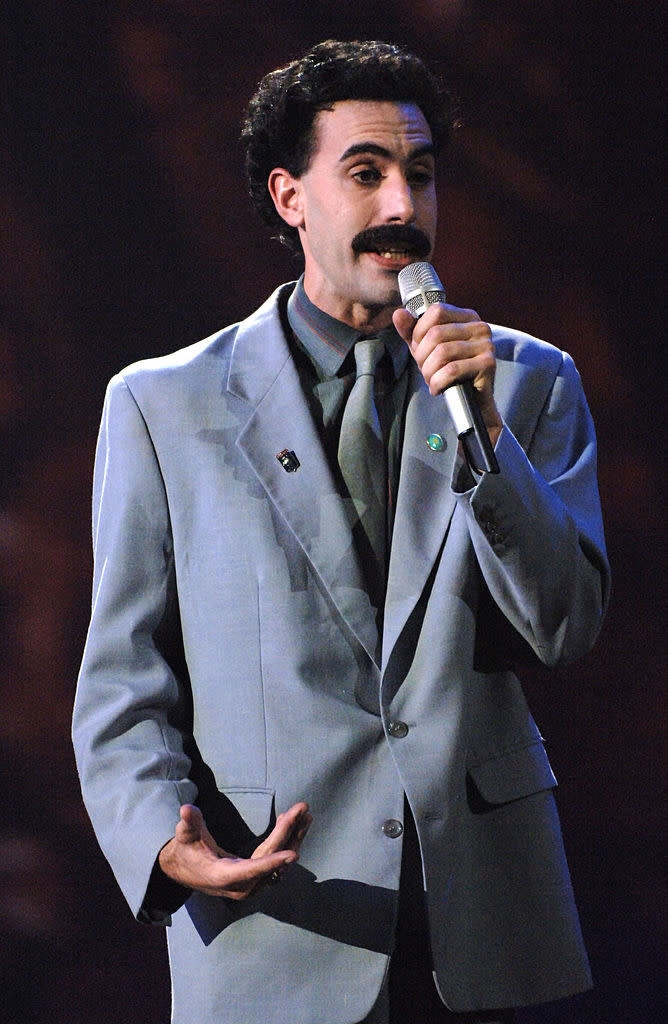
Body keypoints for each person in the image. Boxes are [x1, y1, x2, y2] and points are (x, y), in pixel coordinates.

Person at [72, 39, 610, 1024]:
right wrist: (160, 838)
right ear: (290, 197)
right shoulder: (162, 403)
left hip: (485, 924)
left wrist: (485, 434)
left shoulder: (528, 382)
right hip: (278, 917)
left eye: (419, 173)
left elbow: (563, 626)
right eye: (364, 172)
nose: (402, 206)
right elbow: (121, 677)